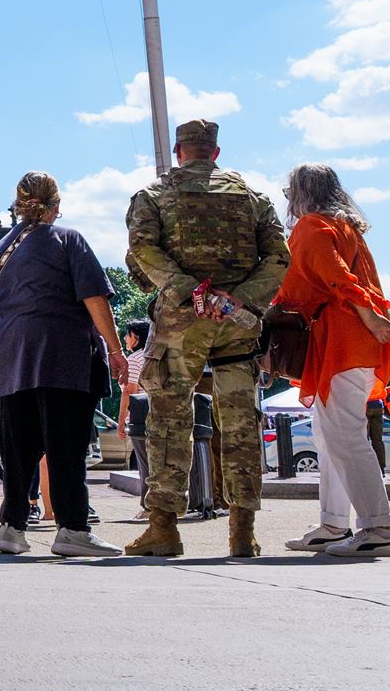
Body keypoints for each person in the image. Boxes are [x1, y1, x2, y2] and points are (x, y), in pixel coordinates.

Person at [122, 119, 290, 558]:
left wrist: (186, 289)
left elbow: (142, 250)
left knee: (168, 422)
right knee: (240, 426)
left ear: (180, 151)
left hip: (181, 323)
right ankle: (242, 532)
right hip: (237, 325)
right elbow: (277, 258)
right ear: (215, 152)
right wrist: (239, 300)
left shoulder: (153, 195)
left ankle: (163, 527)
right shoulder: (253, 199)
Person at [0, 173, 129, 558]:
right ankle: (73, 528)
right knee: (66, 445)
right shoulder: (68, 240)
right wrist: (115, 350)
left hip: (11, 361)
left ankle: (12, 528)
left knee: (18, 448)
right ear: (55, 206)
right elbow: (95, 297)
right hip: (60, 356)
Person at [271, 164, 390, 558]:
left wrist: (364, 311)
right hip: (355, 341)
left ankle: (378, 528)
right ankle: (333, 524)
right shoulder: (349, 229)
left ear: (300, 193)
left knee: (343, 434)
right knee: (331, 435)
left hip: (341, 339)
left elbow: (334, 277)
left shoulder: (311, 226)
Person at [117, 320, 151, 478]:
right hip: (153, 414)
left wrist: (121, 422)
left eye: (127, 335)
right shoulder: (149, 357)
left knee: (145, 467)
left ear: (136, 337)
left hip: (139, 419)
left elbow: (129, 392)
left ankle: (147, 501)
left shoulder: (134, 359)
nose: (125, 338)